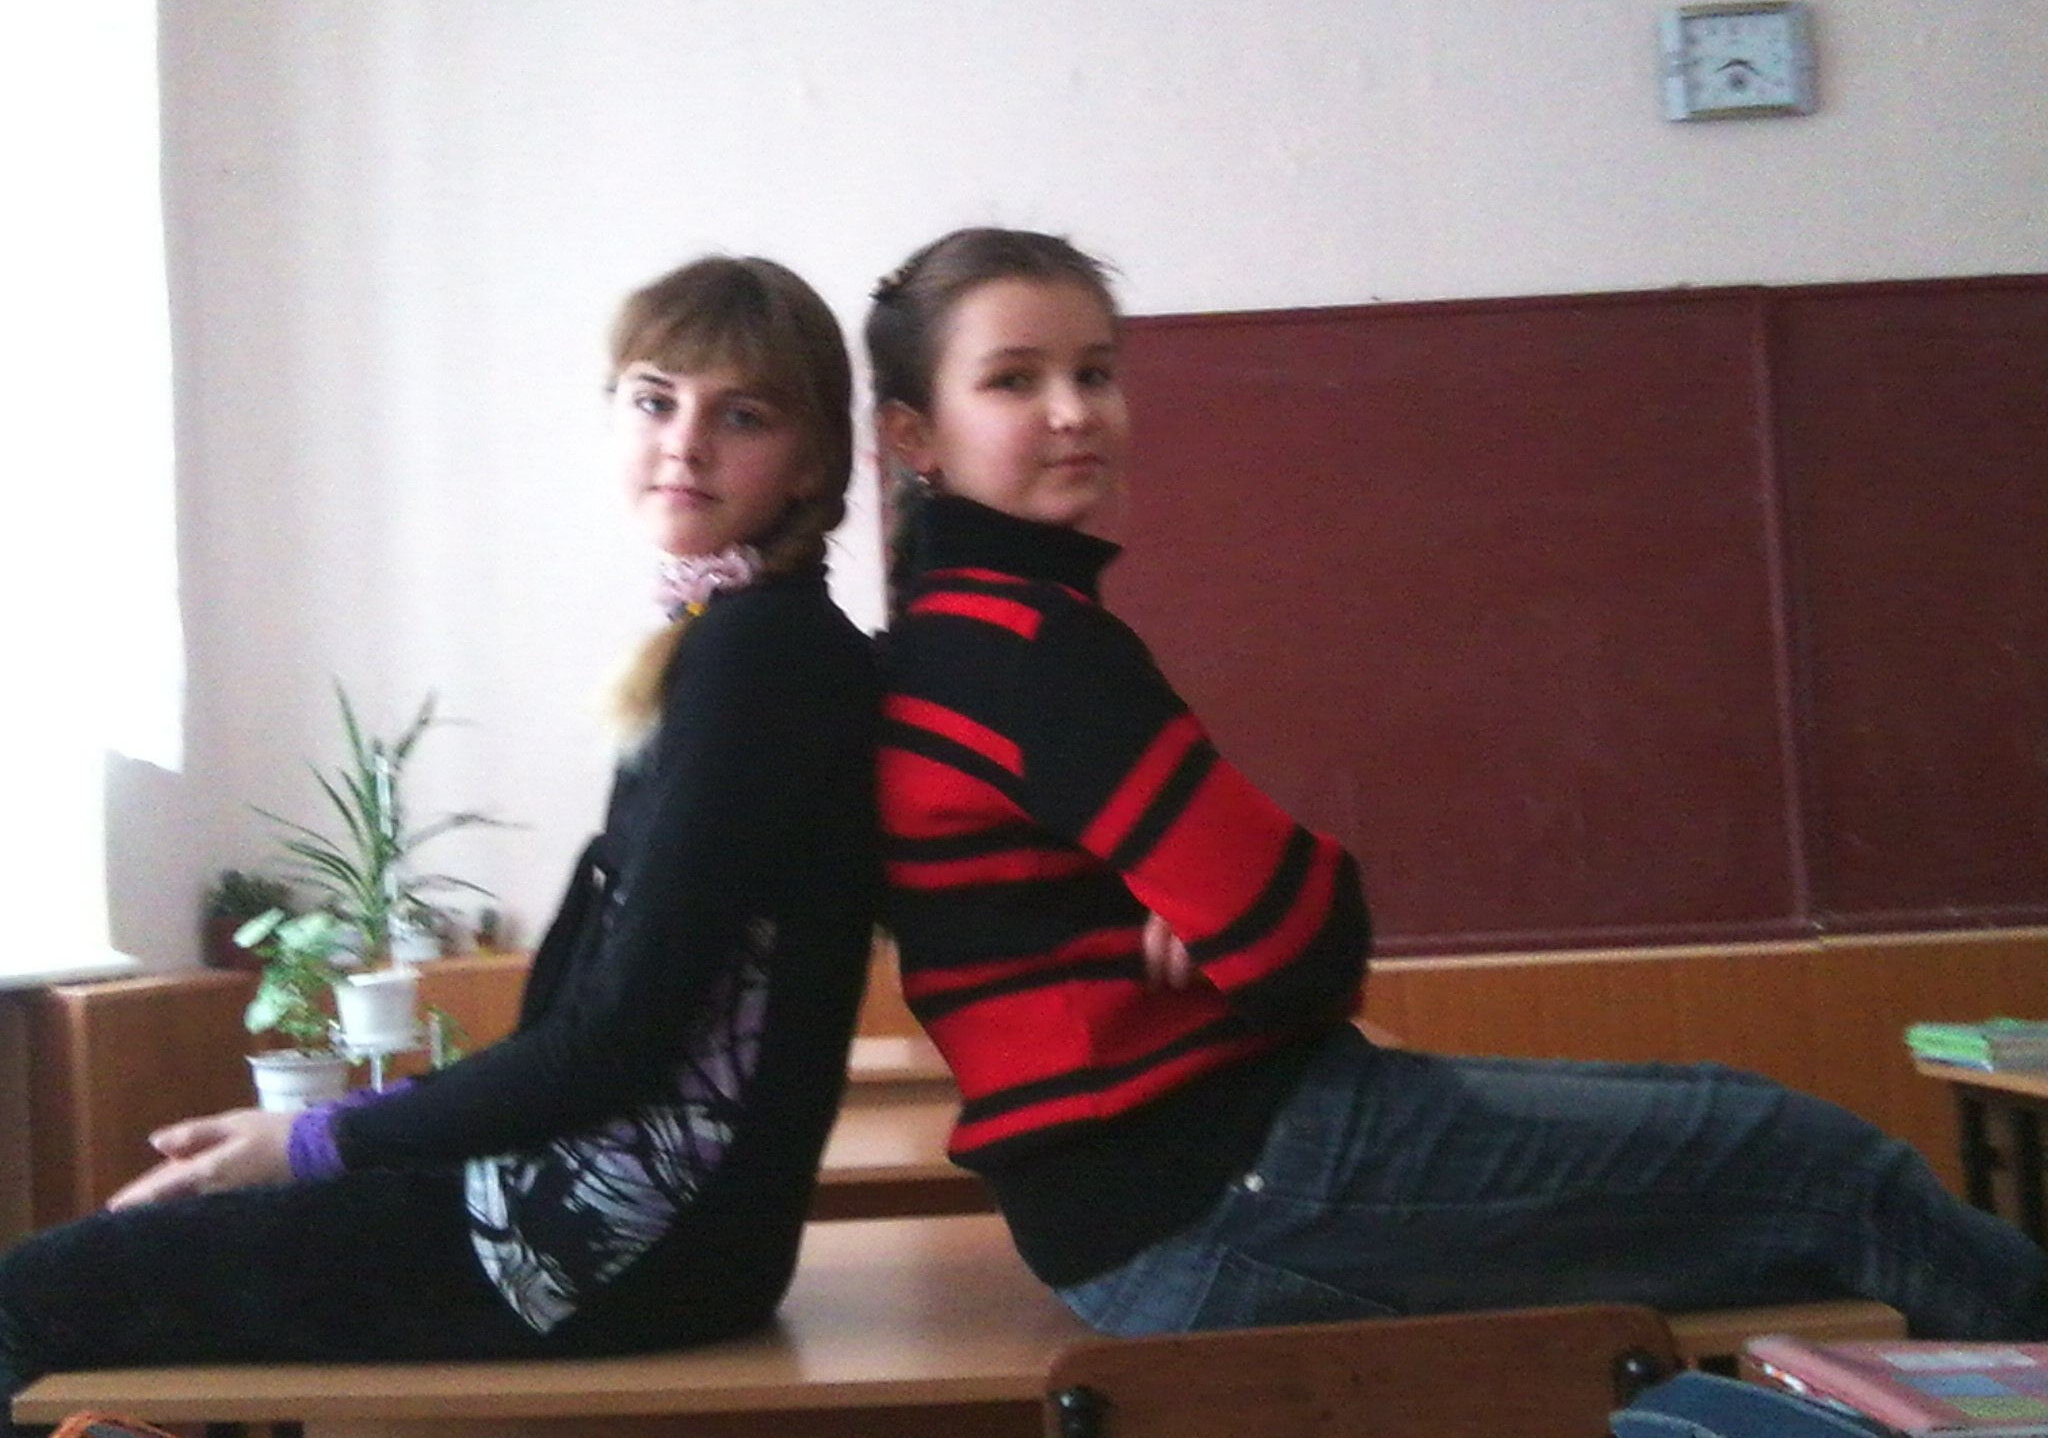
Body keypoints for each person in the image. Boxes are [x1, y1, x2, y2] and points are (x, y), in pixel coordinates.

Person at [864, 224, 2048, 1340]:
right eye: (1012, 381)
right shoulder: (1020, 647)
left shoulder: (951, 638)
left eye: (1095, 371)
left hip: (1174, 1191)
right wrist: (1254, 912)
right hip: (1217, 1195)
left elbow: (1243, 933)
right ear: (915, 437)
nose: (1074, 411)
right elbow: (1301, 945)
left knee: (1757, 1140)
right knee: (1826, 1171)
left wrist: (1226, 917)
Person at [0, 255, 881, 1409]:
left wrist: (310, 1142)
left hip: (615, 1238)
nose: (684, 444)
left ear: (813, 460)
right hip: (654, 1231)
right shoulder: (740, 639)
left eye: (742, 416)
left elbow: (614, 1041)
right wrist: (331, 1130)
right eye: (654, 400)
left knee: (28, 1301)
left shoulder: (762, 656)